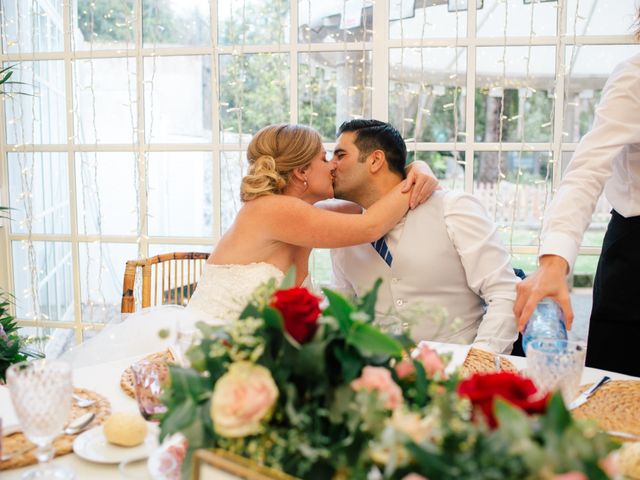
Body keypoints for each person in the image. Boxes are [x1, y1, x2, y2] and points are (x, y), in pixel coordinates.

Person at [64, 123, 437, 366]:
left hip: (254, 355)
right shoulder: (274, 211)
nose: (333, 166)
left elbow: (371, 201)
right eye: (324, 159)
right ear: (302, 173)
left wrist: (418, 169)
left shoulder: (304, 211)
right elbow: (372, 224)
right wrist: (417, 175)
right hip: (206, 351)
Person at [514, 10, 640, 376]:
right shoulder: (635, 77)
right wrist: (553, 263)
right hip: (635, 264)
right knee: (619, 400)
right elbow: (586, 171)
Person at [330, 119, 519, 354]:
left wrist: (478, 361)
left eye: (339, 155)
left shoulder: (454, 208)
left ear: (375, 160)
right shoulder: (341, 232)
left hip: (458, 372)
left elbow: (505, 293)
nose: (331, 165)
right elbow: (342, 313)